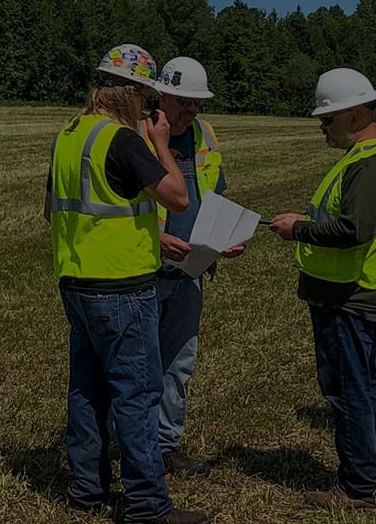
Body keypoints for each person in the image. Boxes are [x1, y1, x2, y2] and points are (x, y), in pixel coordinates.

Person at [46, 44, 209, 524]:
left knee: (87, 391)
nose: (150, 107)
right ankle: (147, 505)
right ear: (132, 92)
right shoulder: (123, 140)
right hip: (122, 287)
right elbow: (177, 197)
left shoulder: (69, 136)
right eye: (147, 96)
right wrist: (160, 141)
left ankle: (86, 492)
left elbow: (55, 210)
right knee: (137, 398)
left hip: (76, 283)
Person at [268, 68, 376, 511]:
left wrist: (298, 228)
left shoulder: (372, 163)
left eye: (327, 119)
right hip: (362, 291)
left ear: (354, 116)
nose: (322, 127)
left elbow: (354, 229)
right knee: (370, 388)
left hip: (352, 296)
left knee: (349, 391)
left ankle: (359, 487)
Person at [150, 56, 244, 476]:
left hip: (191, 270)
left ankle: (166, 445)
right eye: (183, 101)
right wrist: (154, 239)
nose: (191, 110)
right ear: (162, 94)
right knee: (137, 362)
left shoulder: (205, 134)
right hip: (145, 269)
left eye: (197, 103)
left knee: (179, 362)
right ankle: (127, 443)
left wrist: (223, 238)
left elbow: (213, 194)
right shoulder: (139, 133)